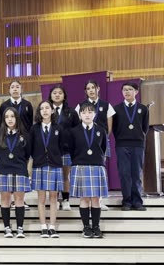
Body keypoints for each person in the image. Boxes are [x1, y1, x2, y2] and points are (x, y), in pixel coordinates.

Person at [75, 80, 115, 211]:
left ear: (98, 89)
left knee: (100, 170)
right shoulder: (80, 106)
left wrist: (100, 138)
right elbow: (76, 125)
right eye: (88, 88)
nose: (91, 90)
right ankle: (86, 199)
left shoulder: (106, 105)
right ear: (85, 91)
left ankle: (99, 200)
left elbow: (109, 127)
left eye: (93, 87)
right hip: (84, 144)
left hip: (99, 142)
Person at [69, 102, 108, 238]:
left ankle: (96, 227)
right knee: (84, 199)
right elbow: (71, 150)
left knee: (96, 199)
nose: (87, 115)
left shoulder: (101, 130)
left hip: (97, 166)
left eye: (90, 112)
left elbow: (103, 148)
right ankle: (86, 227)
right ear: (80, 115)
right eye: (84, 112)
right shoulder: (74, 131)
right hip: (80, 166)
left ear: (94, 114)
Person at [29, 100, 65, 238]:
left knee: (54, 197)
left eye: (47, 108)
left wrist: (54, 156)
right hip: (39, 165)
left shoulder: (58, 128)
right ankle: (43, 226)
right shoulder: (34, 129)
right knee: (41, 197)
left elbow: (62, 147)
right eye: (42, 108)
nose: (45, 110)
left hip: (55, 165)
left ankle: (52, 227)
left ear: (52, 110)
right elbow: (31, 148)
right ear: (39, 112)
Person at [0, 107, 30, 238]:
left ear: (17, 118)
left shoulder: (24, 134)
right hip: (4, 169)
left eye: (12, 116)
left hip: (20, 169)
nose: (10, 119)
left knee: (19, 200)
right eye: (7, 116)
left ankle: (20, 228)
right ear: (4, 119)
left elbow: (27, 153)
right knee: (5, 200)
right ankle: (7, 228)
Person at [112, 82, 149, 211]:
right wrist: (121, 139)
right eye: (124, 90)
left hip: (138, 145)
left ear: (136, 92)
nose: (127, 92)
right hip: (122, 145)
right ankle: (127, 201)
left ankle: (137, 201)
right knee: (124, 174)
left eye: (130, 89)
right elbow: (114, 129)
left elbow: (145, 128)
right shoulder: (116, 109)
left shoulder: (143, 109)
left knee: (136, 174)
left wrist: (138, 138)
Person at [48, 85, 79, 211]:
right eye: (54, 92)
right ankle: (54, 200)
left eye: (60, 93)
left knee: (65, 176)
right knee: (54, 177)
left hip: (66, 150)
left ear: (64, 96)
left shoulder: (71, 112)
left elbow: (77, 130)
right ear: (50, 95)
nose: (57, 95)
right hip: (51, 150)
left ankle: (66, 200)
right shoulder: (46, 110)